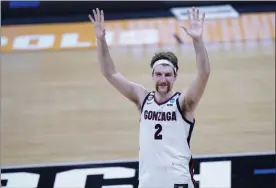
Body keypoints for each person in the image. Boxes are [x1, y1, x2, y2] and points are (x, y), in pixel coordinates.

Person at [89, 7, 210, 188]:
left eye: (168, 75)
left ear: (175, 76)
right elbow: (110, 73)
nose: (163, 79)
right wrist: (101, 40)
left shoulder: (183, 103)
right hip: (148, 183)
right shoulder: (142, 98)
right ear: (152, 76)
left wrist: (198, 40)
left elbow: (203, 74)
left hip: (178, 182)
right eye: (159, 74)